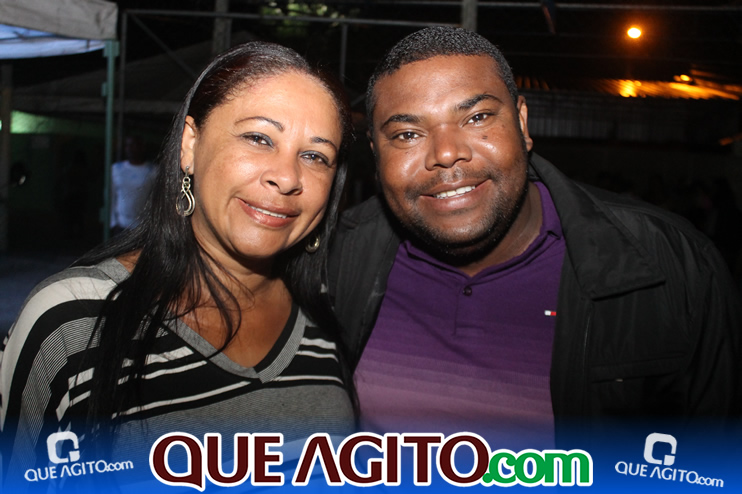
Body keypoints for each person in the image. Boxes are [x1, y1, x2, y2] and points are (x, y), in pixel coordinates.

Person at [328, 27, 742, 450]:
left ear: (522, 123)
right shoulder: (334, 260)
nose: (446, 153)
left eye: (477, 117)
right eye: (407, 135)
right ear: (376, 155)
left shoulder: (672, 266)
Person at [0, 41, 354, 490]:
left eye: (315, 156)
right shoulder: (71, 322)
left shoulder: (326, 317)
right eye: (258, 138)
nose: (286, 177)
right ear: (190, 144)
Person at [110, 135, 158, 236]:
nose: (131, 149)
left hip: (142, 227)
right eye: (128, 145)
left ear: (142, 148)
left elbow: (157, 199)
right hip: (121, 226)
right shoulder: (116, 169)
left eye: (135, 145)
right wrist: (113, 223)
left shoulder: (153, 171)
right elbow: (111, 196)